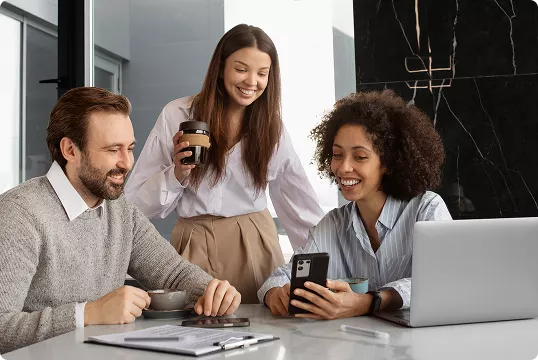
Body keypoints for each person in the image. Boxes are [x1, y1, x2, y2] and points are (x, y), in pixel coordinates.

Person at [0, 87, 241, 354]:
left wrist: (213, 291)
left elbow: (171, 274)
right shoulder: (19, 214)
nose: (127, 163)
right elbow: (2, 327)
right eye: (113, 150)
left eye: (130, 148)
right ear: (70, 150)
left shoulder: (121, 210)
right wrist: (87, 314)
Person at [125, 24, 325, 303]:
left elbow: (298, 204)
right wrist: (177, 174)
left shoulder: (271, 128)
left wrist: (318, 275)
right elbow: (135, 204)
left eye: (262, 73)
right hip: (192, 245)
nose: (251, 82)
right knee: (192, 332)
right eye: (241, 69)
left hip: (254, 243)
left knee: (260, 333)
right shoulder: (178, 114)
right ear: (220, 67)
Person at [259, 90, 452, 319]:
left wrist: (370, 301)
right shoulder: (333, 224)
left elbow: (445, 278)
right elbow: (282, 277)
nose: (343, 168)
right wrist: (275, 294)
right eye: (337, 155)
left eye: (360, 157)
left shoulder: (426, 208)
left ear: (388, 162)